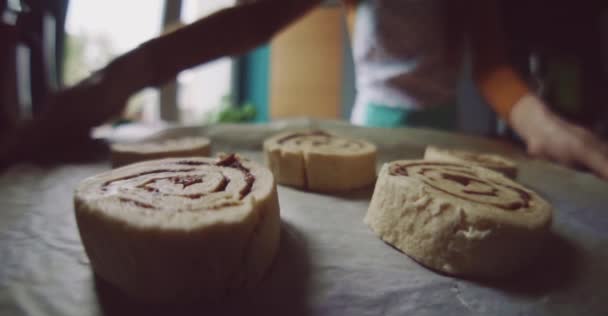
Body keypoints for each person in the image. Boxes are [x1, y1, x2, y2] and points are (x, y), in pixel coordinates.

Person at [1, 0, 607, 179]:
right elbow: (250, 20)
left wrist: (543, 125)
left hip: (441, 131)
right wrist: (126, 74)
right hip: (367, 125)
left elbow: (493, 71)